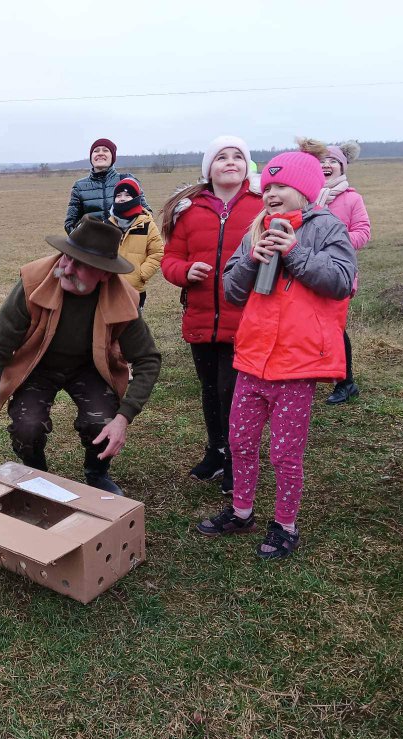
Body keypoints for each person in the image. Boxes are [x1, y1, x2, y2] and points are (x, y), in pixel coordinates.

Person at [195, 141, 357, 559]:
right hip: (252, 360)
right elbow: (231, 290)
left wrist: (295, 253)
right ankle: (241, 511)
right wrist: (253, 257)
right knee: (241, 440)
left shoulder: (325, 227)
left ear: (304, 188)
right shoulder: (257, 227)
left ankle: (285, 525)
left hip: (296, 366)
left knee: (285, 452)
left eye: (280, 185)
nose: (270, 193)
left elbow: (341, 281)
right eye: (266, 186)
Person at [0, 216, 162, 495]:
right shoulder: (33, 283)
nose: (66, 268)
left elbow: (148, 359)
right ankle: (37, 475)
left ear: (105, 274)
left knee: (102, 422)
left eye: (81, 264)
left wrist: (124, 418)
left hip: (90, 367)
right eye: (66, 257)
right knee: (27, 426)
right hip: (37, 365)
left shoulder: (123, 299)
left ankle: (96, 473)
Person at [161, 136, 264, 495]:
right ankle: (216, 450)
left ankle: (238, 459)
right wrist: (185, 271)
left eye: (238, 156)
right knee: (209, 390)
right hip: (202, 317)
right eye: (222, 157)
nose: (231, 162)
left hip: (246, 318)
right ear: (209, 168)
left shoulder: (261, 206)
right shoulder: (188, 211)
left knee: (234, 392)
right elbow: (170, 259)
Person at [318, 141, 372, 405]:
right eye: (322, 160)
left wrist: (333, 241)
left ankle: (345, 382)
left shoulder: (352, 198)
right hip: (309, 271)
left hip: (339, 273)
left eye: (333, 161)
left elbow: (363, 232)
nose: (326, 165)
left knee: (335, 328)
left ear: (343, 166)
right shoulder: (307, 196)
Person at [64, 138, 149, 234]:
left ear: (112, 157)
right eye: (96, 151)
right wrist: (87, 240)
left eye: (105, 150)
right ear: (91, 157)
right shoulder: (79, 186)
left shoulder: (127, 180)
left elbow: (146, 214)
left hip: (123, 246)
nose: (100, 153)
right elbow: (69, 224)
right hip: (93, 247)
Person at [107, 178, 164, 308]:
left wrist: (141, 273)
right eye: (118, 195)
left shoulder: (147, 224)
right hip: (109, 289)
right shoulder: (108, 224)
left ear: (136, 198)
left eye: (128, 195)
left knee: (132, 326)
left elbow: (157, 252)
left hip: (135, 290)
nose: (122, 199)